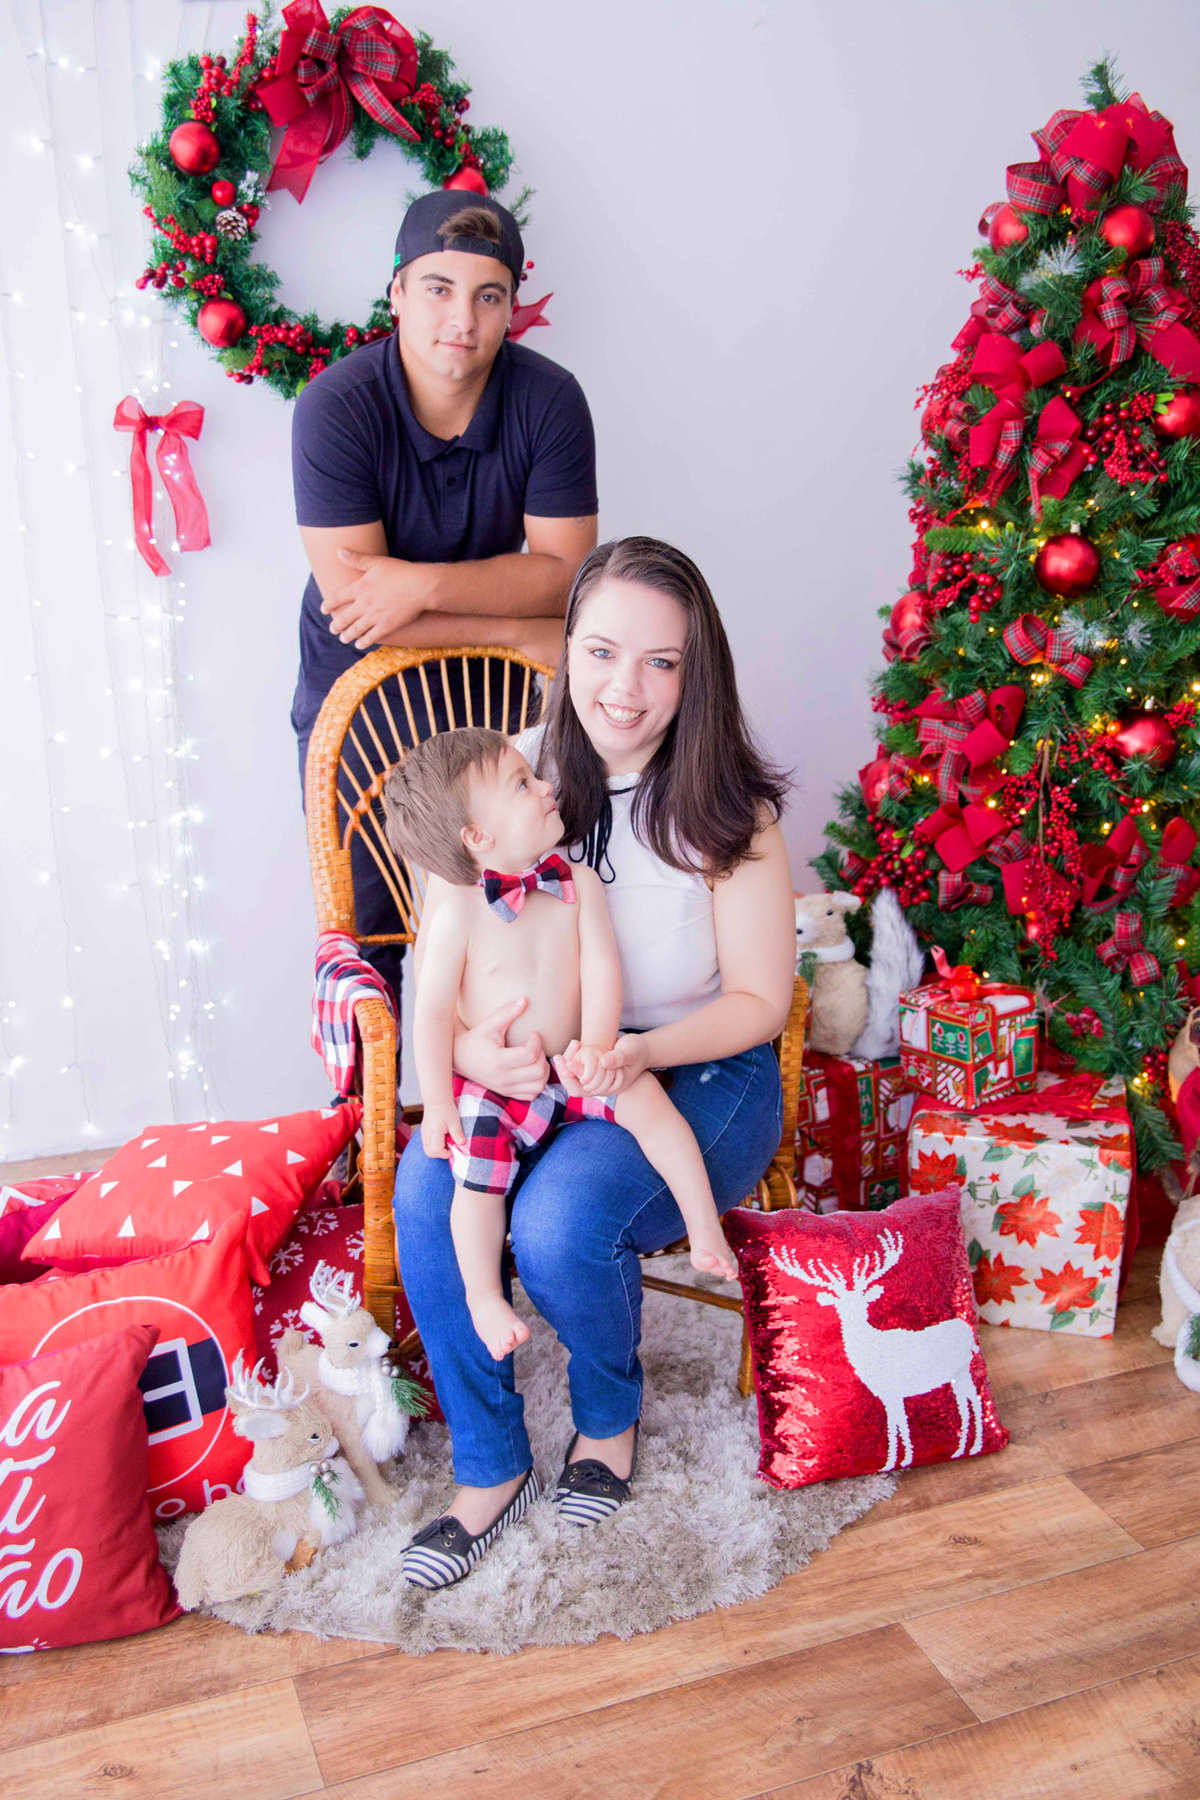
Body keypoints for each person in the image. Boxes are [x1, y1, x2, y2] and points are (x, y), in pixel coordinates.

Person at [393, 537, 795, 1590]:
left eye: (662, 662)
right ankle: (489, 1464)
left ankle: (607, 1417)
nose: (627, 688)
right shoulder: (500, 775)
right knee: (428, 1185)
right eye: (605, 651)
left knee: (560, 1221)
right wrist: (480, 1051)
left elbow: (763, 1001)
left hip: (702, 1071)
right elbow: (437, 973)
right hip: (538, 1073)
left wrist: (635, 1054)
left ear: (694, 671)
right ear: (566, 646)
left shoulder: (727, 808)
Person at [291, 189, 598, 996]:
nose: (461, 317)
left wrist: (420, 585)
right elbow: (358, 608)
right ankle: (369, 1116)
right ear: (395, 293)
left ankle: (512, 1106)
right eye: (437, 288)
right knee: (370, 929)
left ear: (510, 309)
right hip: (364, 696)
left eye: (487, 295)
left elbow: (567, 576)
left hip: (491, 701)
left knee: (511, 916)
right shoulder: (336, 406)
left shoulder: (550, 400)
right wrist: (512, 629)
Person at [381, 727, 738, 1368]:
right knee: (476, 1186)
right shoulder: (460, 912)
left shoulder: (575, 879)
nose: (546, 786)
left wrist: (599, 1048)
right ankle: (487, 1296)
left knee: (649, 1100)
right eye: (523, 784)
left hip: (570, 1061)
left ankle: (702, 1221)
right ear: (478, 838)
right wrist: (436, 1106)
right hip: (493, 1087)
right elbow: (431, 1015)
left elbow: (602, 968)